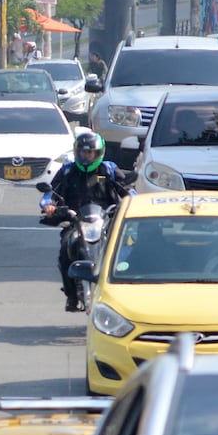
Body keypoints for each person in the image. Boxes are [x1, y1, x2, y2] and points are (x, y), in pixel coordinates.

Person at [41, 131, 135, 312]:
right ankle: (72, 296)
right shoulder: (67, 170)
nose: (87, 156)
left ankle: (128, 291)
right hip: (75, 220)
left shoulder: (108, 169)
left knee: (129, 248)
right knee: (65, 249)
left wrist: (132, 202)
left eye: (90, 152)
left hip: (107, 220)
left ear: (98, 153)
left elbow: (128, 189)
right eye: (83, 152)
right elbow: (49, 194)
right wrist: (49, 206)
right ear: (77, 152)